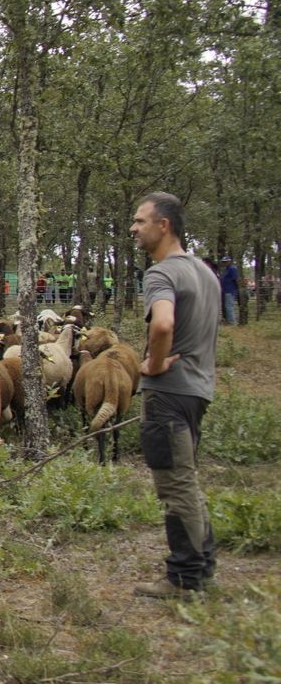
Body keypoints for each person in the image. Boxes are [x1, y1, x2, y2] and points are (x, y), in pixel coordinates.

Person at [130, 193, 221, 598]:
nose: (134, 228)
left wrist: (153, 363)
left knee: (175, 485)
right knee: (188, 481)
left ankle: (184, 579)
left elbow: (163, 324)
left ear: (163, 225)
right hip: (198, 391)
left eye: (140, 221)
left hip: (168, 394)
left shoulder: (161, 274)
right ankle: (203, 569)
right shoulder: (205, 273)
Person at [217, 255, 239, 325]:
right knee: (227, 306)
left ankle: (232, 322)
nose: (225, 263)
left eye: (226, 261)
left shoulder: (232, 269)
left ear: (229, 261)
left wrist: (236, 289)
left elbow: (235, 279)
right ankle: (230, 320)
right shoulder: (226, 269)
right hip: (226, 290)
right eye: (224, 262)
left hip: (230, 290)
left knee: (229, 306)